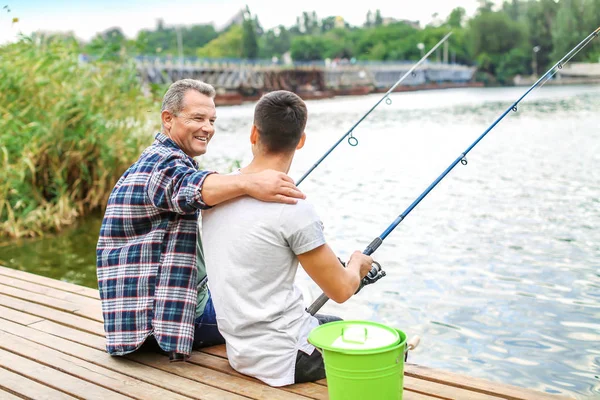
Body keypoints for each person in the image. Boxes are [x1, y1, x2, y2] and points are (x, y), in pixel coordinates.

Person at [96, 80, 305, 362]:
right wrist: (250, 182)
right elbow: (193, 186)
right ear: (168, 119)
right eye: (197, 118)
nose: (208, 128)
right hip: (164, 325)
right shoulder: (161, 165)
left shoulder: (161, 160)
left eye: (211, 120)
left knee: (263, 297)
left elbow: (195, 187)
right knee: (289, 307)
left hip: (138, 323)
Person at [202, 90, 373, 386]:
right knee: (378, 345)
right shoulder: (295, 210)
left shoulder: (217, 192)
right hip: (285, 359)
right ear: (301, 139)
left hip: (240, 351)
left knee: (337, 326)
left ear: (253, 133)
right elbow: (342, 290)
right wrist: (357, 262)